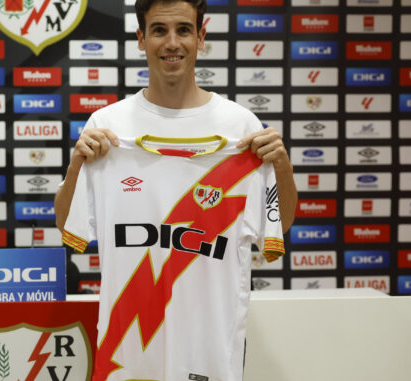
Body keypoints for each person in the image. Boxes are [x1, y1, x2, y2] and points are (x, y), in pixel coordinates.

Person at [55, 1, 297, 380]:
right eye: (159, 30)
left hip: (208, 354)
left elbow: (278, 227)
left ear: (201, 37)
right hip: (127, 354)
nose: (172, 42)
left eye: (183, 30)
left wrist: (281, 167)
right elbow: (67, 226)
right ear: (141, 38)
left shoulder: (240, 127)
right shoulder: (107, 126)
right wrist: (75, 167)